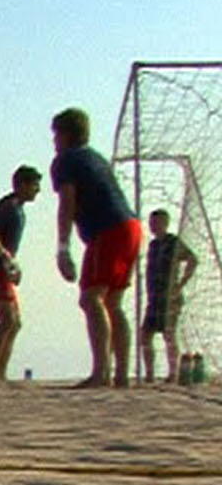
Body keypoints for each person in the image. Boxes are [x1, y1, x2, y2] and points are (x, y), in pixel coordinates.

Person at [49, 107, 144, 388]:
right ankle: (121, 374)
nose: (54, 142)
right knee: (112, 303)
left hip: (109, 229)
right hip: (131, 227)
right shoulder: (95, 158)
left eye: (56, 136)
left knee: (92, 298)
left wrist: (63, 248)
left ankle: (102, 371)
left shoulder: (65, 161)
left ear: (65, 135)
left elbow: (67, 203)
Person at [0, 165, 42, 383]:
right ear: (22, 185)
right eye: (34, 185)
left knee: (15, 323)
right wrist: (4, 257)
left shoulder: (19, 210)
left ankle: (0, 374)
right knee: (7, 320)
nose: (38, 190)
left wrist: (12, 265)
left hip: (2, 269)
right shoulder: (8, 206)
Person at [140, 209, 199, 384]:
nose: (153, 226)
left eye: (156, 222)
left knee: (169, 334)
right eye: (151, 223)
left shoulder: (173, 242)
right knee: (145, 334)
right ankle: (149, 372)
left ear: (165, 223)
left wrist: (181, 283)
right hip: (154, 298)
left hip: (169, 297)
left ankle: (173, 372)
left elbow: (192, 259)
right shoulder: (153, 246)